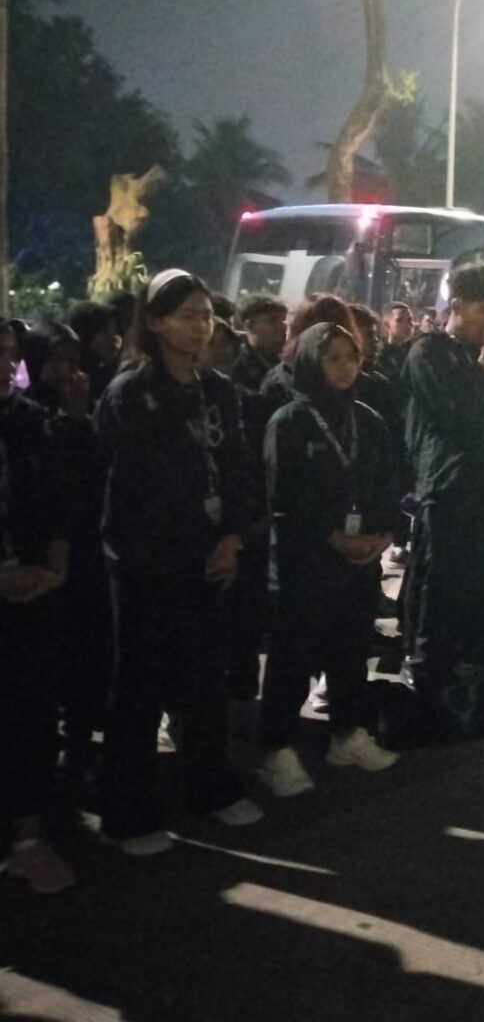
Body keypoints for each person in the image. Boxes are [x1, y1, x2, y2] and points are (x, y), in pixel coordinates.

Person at [94, 270, 265, 856]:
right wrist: (187, 548)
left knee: (203, 683)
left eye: (206, 316)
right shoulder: (131, 394)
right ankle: (127, 813)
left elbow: (239, 470)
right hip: (147, 566)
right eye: (187, 316)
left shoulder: (218, 390)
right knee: (138, 690)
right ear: (155, 322)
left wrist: (232, 538)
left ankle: (211, 787)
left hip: (210, 559)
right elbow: (129, 493)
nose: (200, 327)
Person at [257, 323, 399, 797]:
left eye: (351, 357)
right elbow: (284, 496)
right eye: (332, 358)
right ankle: (276, 749)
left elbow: (388, 481)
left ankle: (347, 733)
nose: (344, 367)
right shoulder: (290, 421)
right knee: (293, 657)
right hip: (306, 560)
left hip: (360, 559)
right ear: (310, 362)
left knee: (351, 650)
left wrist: (382, 535)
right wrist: (334, 538)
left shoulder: (367, 419)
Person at [400, 263, 484, 742]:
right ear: (457, 306)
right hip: (448, 494)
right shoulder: (428, 353)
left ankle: (475, 701)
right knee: (441, 599)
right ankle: (430, 703)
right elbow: (459, 417)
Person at [0, 318, 75, 893]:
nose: (6, 366)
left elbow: (57, 503)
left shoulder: (31, 421)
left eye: (9, 354)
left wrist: (55, 565)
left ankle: (28, 835)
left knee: (30, 712)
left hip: (32, 590)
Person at [20, 322, 112, 782]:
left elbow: (98, 477)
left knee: (85, 651)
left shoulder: (84, 411)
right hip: (38, 556)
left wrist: (78, 418)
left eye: (74, 361)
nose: (66, 371)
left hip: (85, 553)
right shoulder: (22, 415)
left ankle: (78, 743)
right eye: (56, 359)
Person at [230, 293, 288, 396]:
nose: (283, 327)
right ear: (250, 326)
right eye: (273, 320)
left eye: (284, 320)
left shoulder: (285, 362)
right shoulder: (236, 364)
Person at [66, 300, 123, 404]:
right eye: (105, 331)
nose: (114, 338)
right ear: (86, 334)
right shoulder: (69, 380)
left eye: (115, 331)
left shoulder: (114, 372)